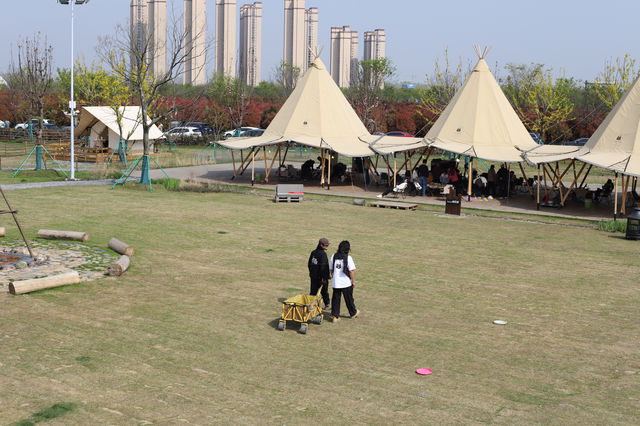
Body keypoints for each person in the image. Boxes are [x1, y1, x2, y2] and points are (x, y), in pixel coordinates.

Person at [329, 240, 359, 322]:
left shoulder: (333, 256)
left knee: (335, 299)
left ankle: (335, 316)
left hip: (336, 282)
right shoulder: (348, 258)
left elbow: (331, 269)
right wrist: (353, 281)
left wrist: (333, 276)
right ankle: (353, 313)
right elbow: (351, 271)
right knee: (349, 299)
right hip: (346, 282)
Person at [308, 238, 331, 309]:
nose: (327, 247)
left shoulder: (313, 252)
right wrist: (324, 278)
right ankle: (327, 305)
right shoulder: (323, 254)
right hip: (321, 278)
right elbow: (324, 267)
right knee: (324, 291)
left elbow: (309, 264)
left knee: (313, 292)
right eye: (325, 245)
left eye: (327, 245)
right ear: (321, 245)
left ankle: (311, 305)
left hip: (313, 277)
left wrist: (311, 273)